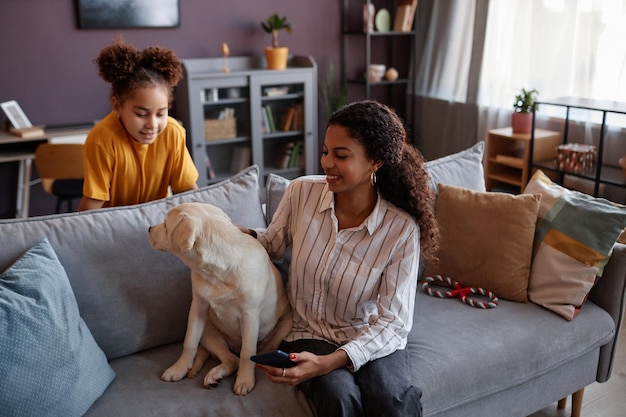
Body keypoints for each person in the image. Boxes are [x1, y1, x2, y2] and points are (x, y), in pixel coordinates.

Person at [252, 100, 439, 417]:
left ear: (375, 162)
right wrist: (223, 234)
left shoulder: (400, 229)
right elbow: (270, 243)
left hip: (367, 333)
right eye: (325, 151)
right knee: (340, 400)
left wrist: (330, 362)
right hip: (306, 332)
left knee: (392, 400)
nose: (326, 162)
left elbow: (393, 323)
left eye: (341, 155)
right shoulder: (301, 193)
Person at [78, 39, 198, 211]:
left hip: (158, 221)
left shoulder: (173, 132)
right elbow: (93, 204)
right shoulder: (101, 140)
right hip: (113, 225)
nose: (152, 124)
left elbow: (187, 190)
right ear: (117, 106)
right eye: (141, 114)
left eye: (161, 113)